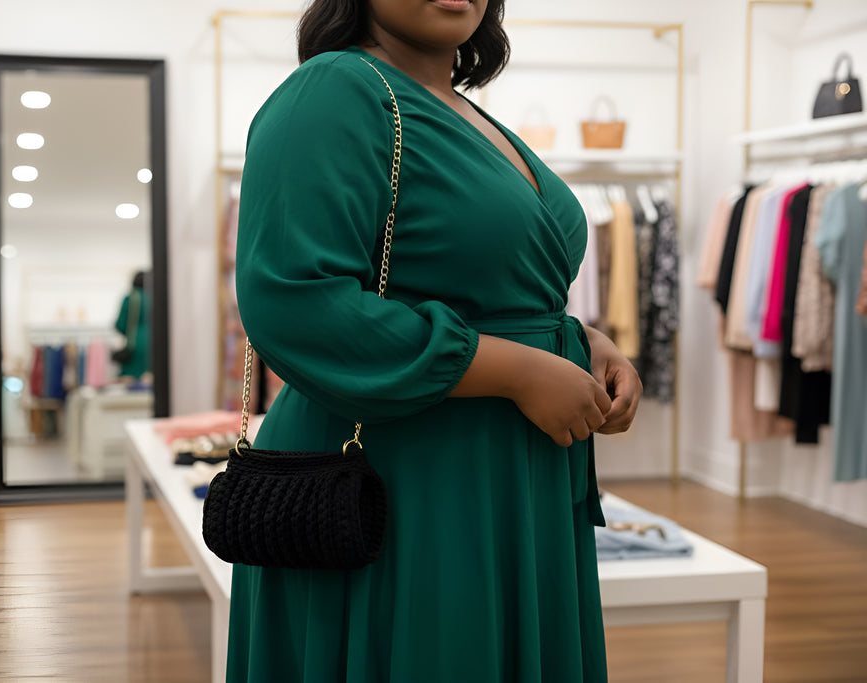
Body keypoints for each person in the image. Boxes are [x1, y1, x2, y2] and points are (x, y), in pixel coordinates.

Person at [229, 0, 643, 680]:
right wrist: (516, 369)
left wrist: (580, 340)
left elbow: (490, 284)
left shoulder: (465, 110)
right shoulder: (335, 91)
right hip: (403, 469)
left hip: (505, 470)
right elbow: (295, 303)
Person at [113, 270, 151, 381]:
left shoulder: (129, 298)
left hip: (134, 344)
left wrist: (130, 332)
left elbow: (120, 325)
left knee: (130, 381)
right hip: (153, 343)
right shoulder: (153, 298)